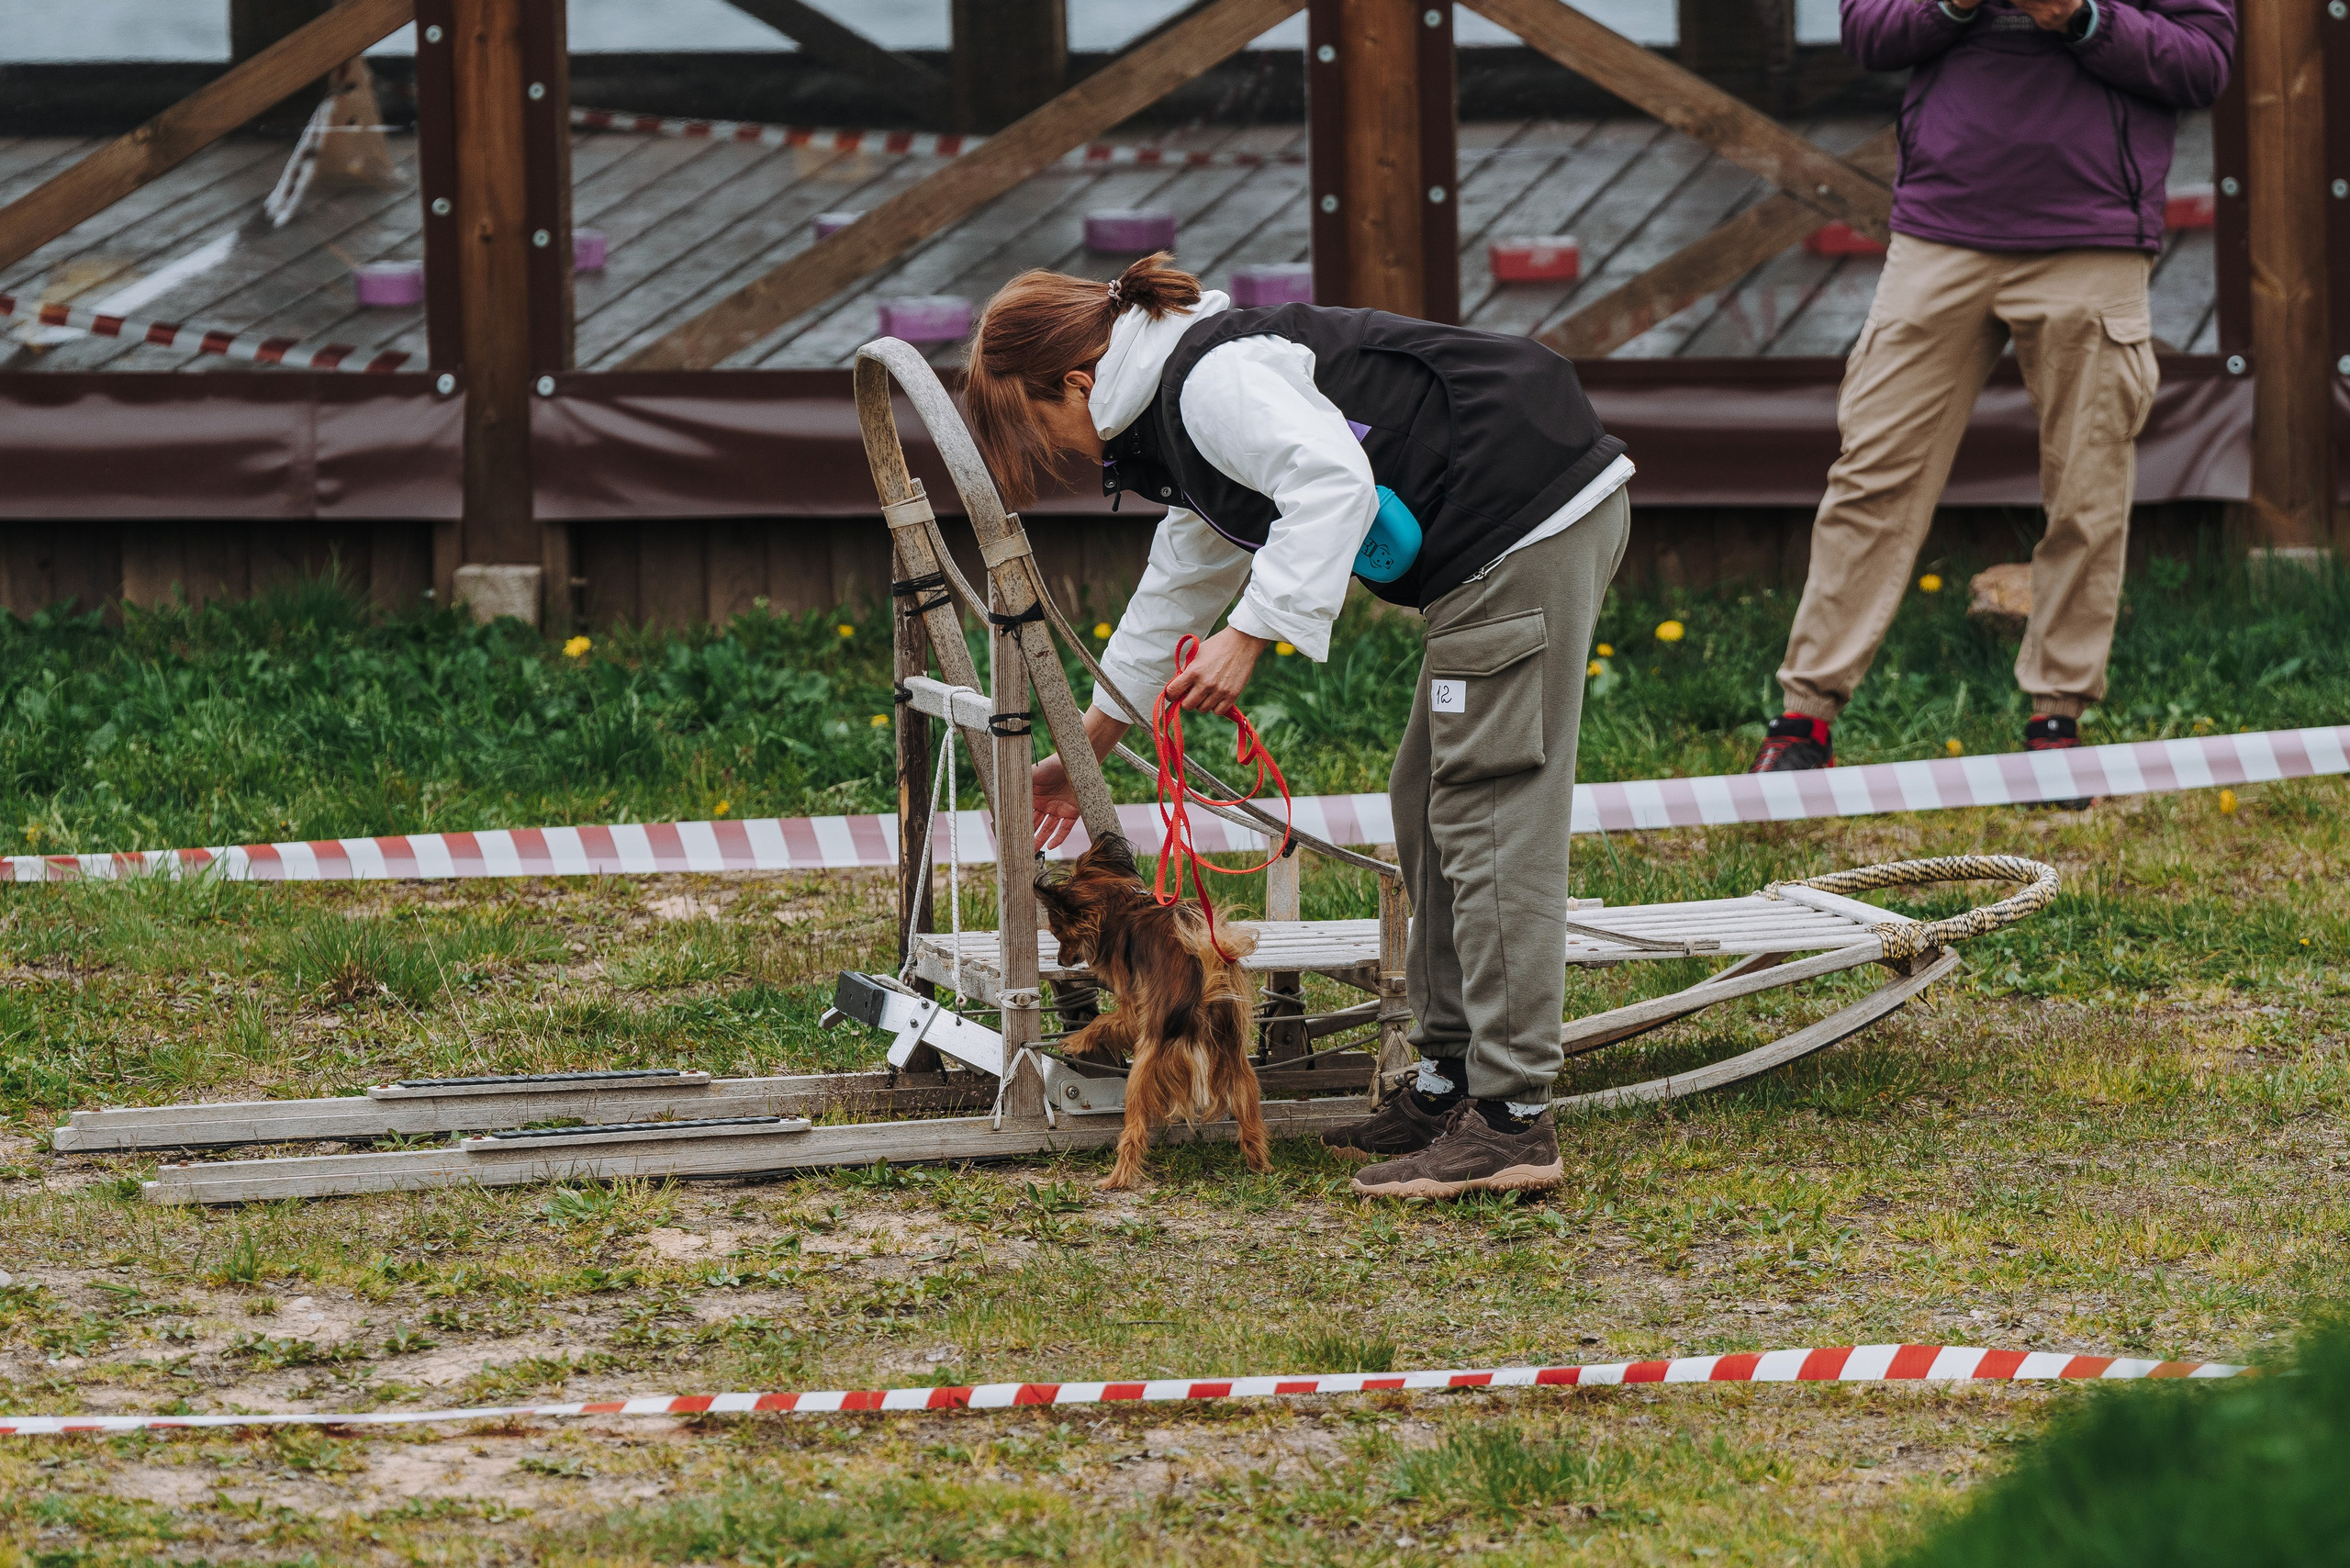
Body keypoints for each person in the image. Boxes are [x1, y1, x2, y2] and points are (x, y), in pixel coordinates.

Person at [960, 254, 1633, 1200]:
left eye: (1043, 425)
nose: (1063, 450)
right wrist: (1092, 748)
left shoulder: (1212, 385)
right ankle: (1446, 1083)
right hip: (1497, 535)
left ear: (1077, 379)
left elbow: (1332, 484)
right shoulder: (1179, 407)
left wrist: (1248, 636)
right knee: (1427, 797)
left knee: (1487, 809)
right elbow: (1182, 573)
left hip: (1526, 518)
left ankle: (1512, 1117)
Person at [1750, 0, 2234, 775]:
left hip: (2093, 236)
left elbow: (2203, 63)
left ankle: (2057, 725)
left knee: (2087, 490)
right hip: (1940, 232)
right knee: (1874, 474)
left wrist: (2082, 18)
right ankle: (1804, 720)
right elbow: (1868, 32)